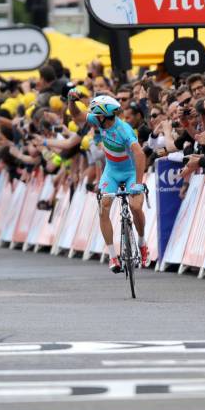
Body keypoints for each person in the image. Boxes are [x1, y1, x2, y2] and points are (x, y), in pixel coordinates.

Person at [68, 91, 148, 273]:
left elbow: (140, 153)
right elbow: (76, 115)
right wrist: (71, 101)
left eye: (97, 113)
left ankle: (142, 244)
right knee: (104, 207)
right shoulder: (98, 121)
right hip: (111, 172)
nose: (94, 117)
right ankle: (113, 256)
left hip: (129, 173)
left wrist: (138, 182)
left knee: (136, 207)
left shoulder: (124, 130)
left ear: (105, 115)